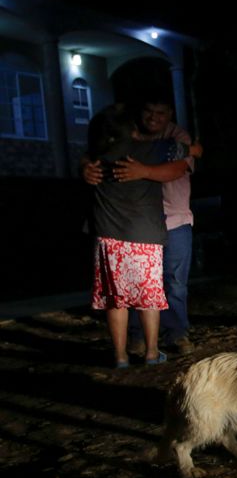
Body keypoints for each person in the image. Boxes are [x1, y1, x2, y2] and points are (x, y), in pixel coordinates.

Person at [84, 94, 197, 357]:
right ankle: (145, 347)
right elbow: (89, 156)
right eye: (149, 111)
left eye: (161, 112)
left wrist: (144, 171)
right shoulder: (134, 142)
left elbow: (178, 168)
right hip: (140, 229)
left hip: (169, 219)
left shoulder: (175, 136)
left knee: (168, 285)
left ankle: (170, 336)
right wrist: (85, 167)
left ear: (170, 114)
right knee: (142, 293)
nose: (154, 118)